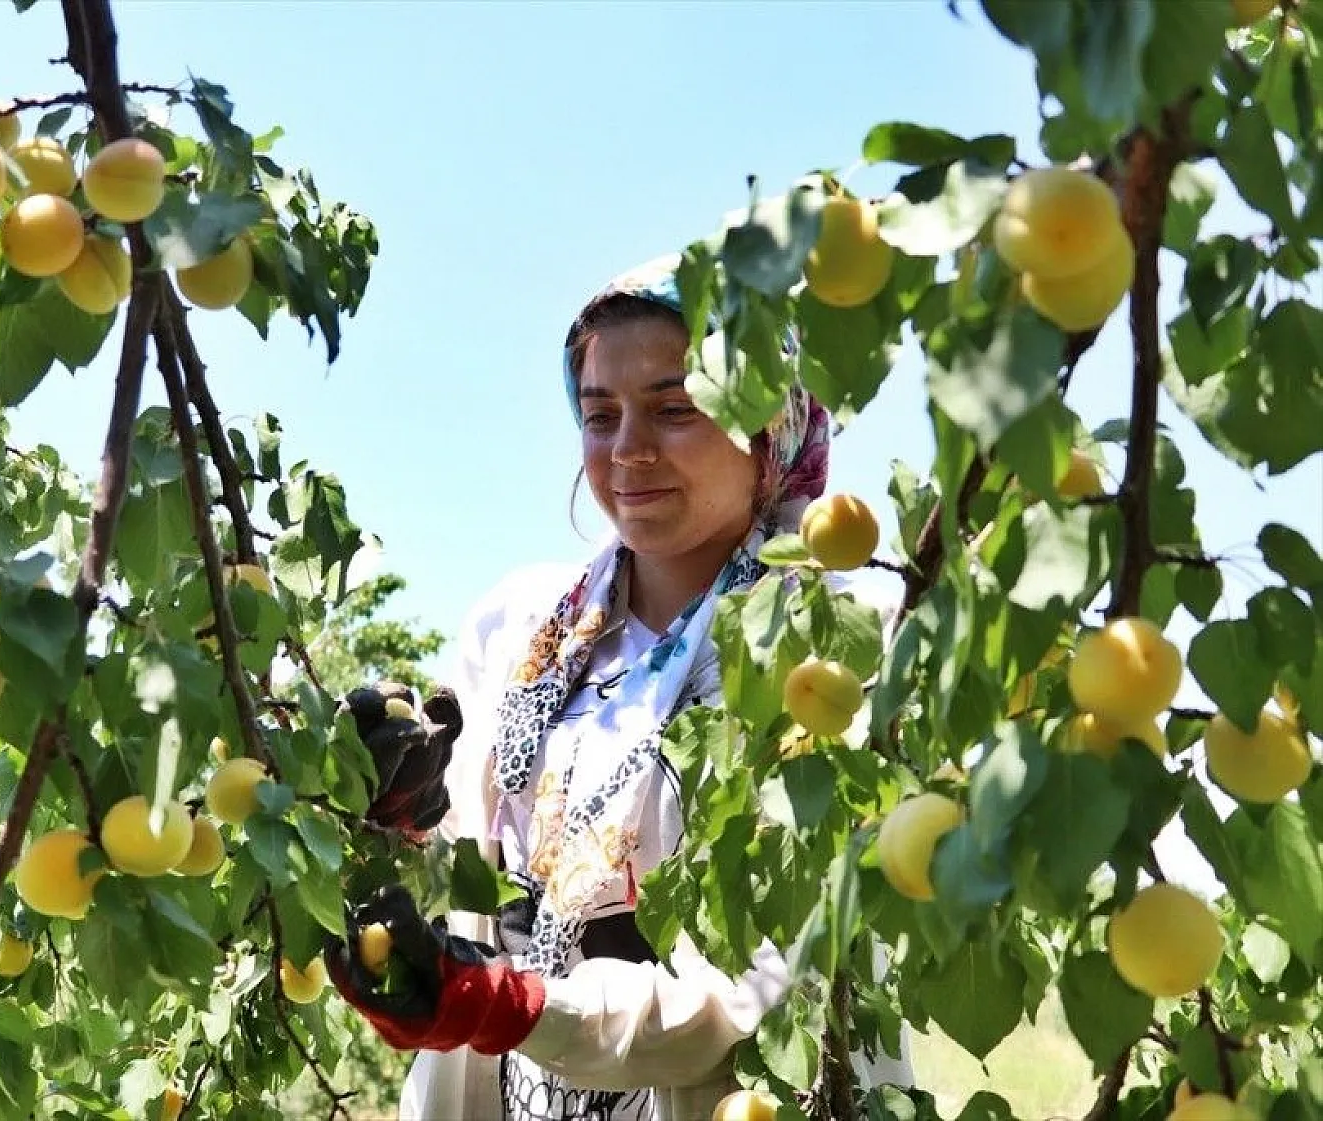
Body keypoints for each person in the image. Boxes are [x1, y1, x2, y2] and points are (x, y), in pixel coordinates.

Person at [328, 253, 913, 1121]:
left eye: (676, 408)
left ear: (772, 426)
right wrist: (397, 818)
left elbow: (749, 984)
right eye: (600, 415)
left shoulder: (831, 653)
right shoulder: (521, 629)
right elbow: (470, 877)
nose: (629, 449)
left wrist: (512, 1004)